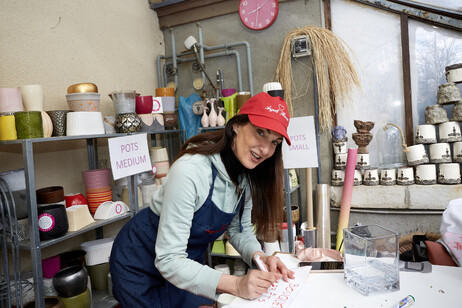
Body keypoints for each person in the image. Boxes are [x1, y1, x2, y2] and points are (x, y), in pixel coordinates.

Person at [110, 92, 295, 307]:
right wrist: (236, 284)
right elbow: (168, 259)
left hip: (185, 264)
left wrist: (259, 257)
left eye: (274, 142)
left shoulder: (246, 176)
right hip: (140, 261)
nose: (265, 149)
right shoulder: (191, 171)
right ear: (236, 125)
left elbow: (239, 229)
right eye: (260, 132)